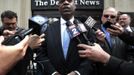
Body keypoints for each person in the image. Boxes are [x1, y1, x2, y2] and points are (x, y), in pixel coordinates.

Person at [36, 0, 96, 74]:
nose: (66, 3)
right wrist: (53, 72)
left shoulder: (86, 28)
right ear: (58, 7)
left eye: (70, 1)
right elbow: (41, 54)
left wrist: (78, 72)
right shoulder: (48, 29)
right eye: (62, 1)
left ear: (75, 5)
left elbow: (93, 55)